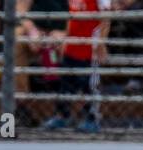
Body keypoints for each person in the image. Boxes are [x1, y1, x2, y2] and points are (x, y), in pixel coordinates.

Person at [43, 0, 111, 132]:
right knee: (65, 84)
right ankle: (63, 116)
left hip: (90, 47)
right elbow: (71, 16)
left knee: (89, 85)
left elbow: (106, 19)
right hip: (72, 46)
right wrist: (66, 40)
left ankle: (92, 119)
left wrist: (101, 43)